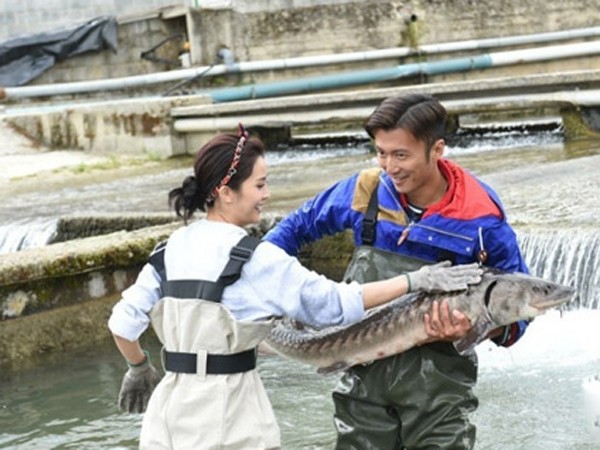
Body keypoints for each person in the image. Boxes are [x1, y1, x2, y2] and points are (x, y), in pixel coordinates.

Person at [107, 124, 483, 450]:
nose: (267, 195)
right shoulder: (255, 259)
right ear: (225, 192)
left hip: (169, 411)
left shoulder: (166, 251)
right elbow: (334, 305)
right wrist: (413, 281)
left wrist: (138, 368)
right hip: (228, 410)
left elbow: (122, 325)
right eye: (260, 184)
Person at [264, 93, 530, 449]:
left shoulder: (480, 217)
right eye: (381, 153)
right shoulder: (367, 190)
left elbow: (517, 310)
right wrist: (263, 283)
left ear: (437, 150)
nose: (390, 167)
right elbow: (288, 233)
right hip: (361, 378)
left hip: (438, 391)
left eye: (401, 154)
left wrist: (472, 330)